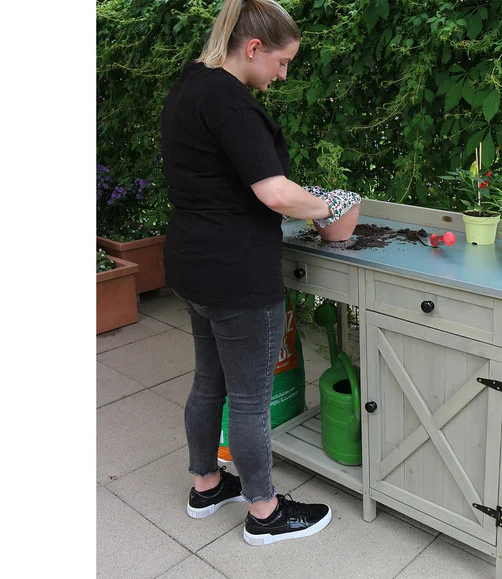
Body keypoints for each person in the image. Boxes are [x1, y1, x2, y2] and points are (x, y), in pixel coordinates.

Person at [160, 0, 360, 546]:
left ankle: (206, 486)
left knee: (209, 381)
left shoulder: (190, 85)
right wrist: (328, 207)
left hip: (192, 264)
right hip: (235, 275)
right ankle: (266, 514)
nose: (283, 73)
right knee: (248, 398)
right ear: (253, 48)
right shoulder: (232, 105)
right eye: (282, 62)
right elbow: (273, 192)